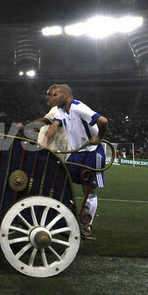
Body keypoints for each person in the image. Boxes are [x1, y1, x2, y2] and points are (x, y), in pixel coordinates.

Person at [40, 84, 108, 240]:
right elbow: (54, 126)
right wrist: (44, 140)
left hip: (92, 152)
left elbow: (103, 121)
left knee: (89, 189)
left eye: (55, 95)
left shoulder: (78, 107)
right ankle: (65, 218)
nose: (52, 97)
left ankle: (87, 225)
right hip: (77, 153)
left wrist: (99, 138)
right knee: (62, 181)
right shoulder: (61, 110)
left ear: (65, 95)